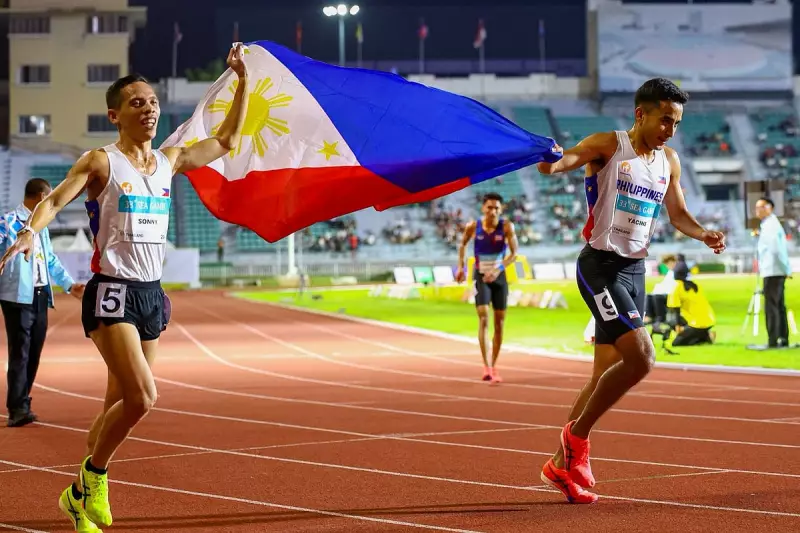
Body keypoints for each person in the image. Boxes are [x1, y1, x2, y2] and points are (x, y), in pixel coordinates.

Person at [0, 44, 249, 531]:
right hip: (111, 291)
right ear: (115, 115)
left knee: (117, 406)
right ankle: (93, 476)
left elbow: (227, 139)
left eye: (153, 101)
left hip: (151, 295)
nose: (149, 108)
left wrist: (239, 80)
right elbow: (54, 200)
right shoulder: (101, 162)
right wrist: (32, 229)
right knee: (142, 397)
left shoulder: (170, 161)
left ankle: (75, 497)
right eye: (137, 102)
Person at [534, 77, 726, 504]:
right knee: (642, 357)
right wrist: (546, 158)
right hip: (600, 267)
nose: (670, 130)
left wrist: (703, 234)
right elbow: (558, 165)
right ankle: (576, 440)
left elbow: (678, 214)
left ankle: (559, 466)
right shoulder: (607, 144)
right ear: (641, 114)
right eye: (665, 120)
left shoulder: (669, 161)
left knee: (602, 374)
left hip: (634, 271)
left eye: (676, 123)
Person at [0, 178, 85, 427]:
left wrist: (70, 285)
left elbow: (50, 260)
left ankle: (23, 399)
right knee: (21, 350)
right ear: (40, 197)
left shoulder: (42, 226)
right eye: (49, 197)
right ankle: (17, 408)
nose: (51, 202)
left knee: (34, 350)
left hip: (39, 294)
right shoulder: (8, 221)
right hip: (16, 296)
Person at [455, 192, 519, 383]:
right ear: (483, 208)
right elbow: (462, 245)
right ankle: (486, 367)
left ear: (501, 209)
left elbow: (515, 253)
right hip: (480, 276)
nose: (493, 211)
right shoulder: (473, 226)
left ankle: (494, 364)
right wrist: (461, 267)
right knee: (483, 317)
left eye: (496, 208)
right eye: (489, 207)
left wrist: (498, 269)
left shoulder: (506, 226)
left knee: (499, 322)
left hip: (499, 277)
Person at [755, 197, 791, 348]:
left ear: (769, 207)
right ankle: (782, 338)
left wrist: (785, 268)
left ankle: (773, 340)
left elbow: (776, 250)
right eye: (757, 207)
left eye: (761, 207)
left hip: (772, 270)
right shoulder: (771, 224)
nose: (758, 210)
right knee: (779, 306)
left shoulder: (770, 225)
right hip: (776, 270)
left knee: (772, 307)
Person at [662, 262, 716, 348]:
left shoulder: (676, 286)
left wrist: (678, 326)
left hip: (696, 324)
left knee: (676, 343)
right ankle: (704, 334)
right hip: (709, 321)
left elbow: (675, 309)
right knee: (677, 322)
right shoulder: (695, 285)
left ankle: (704, 337)